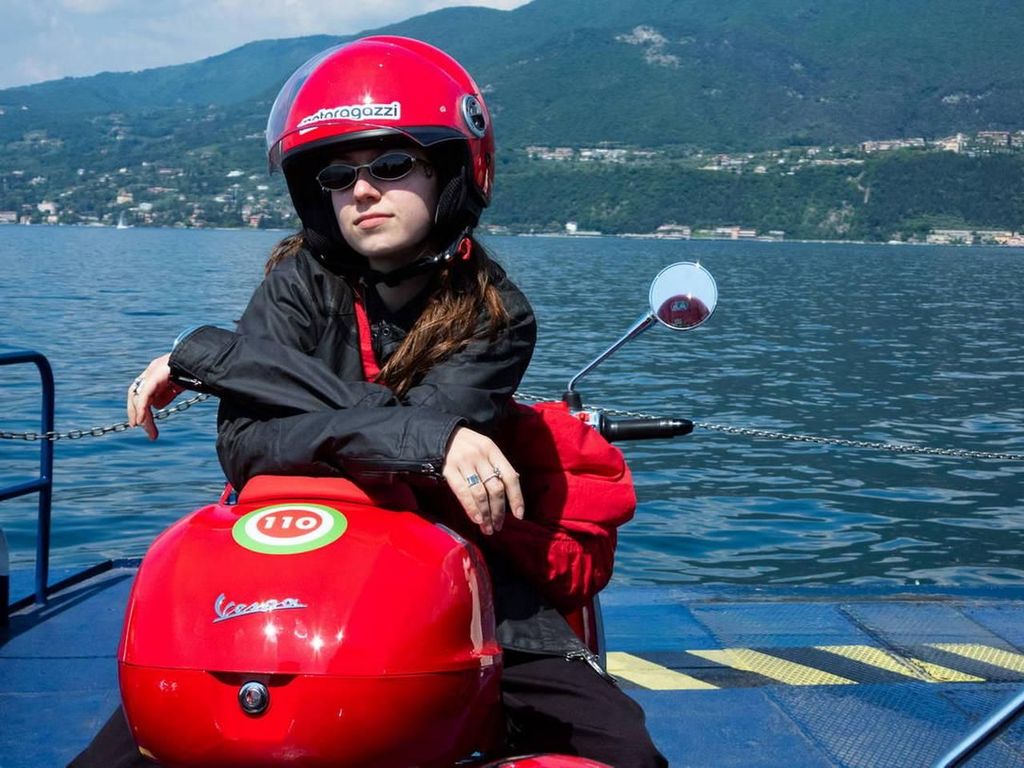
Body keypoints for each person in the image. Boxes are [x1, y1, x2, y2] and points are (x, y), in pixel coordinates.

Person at [72, 36, 666, 768]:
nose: (362, 189)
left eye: (392, 164)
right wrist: (423, 438)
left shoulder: (497, 314)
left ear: (451, 170)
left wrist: (226, 361)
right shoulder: (297, 282)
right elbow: (248, 445)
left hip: (458, 570)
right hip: (292, 562)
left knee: (624, 753)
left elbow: (408, 466)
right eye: (338, 172)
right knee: (141, 738)